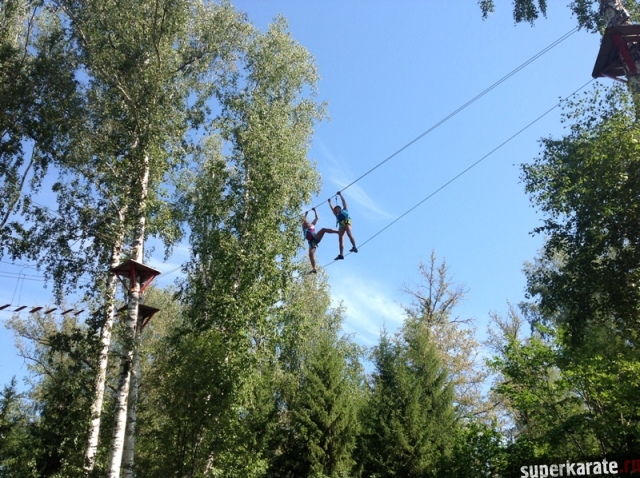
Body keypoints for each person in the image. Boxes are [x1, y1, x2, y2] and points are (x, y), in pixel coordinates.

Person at [302, 208, 338, 273]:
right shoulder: (304, 228)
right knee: (310, 254)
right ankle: (314, 268)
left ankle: (338, 232)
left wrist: (315, 210)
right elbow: (303, 221)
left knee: (323, 229)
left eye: (307, 223)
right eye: (305, 224)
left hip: (316, 237)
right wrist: (305, 215)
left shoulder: (312, 225)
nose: (307, 224)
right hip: (312, 242)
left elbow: (317, 218)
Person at [328, 191, 358, 260]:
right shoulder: (336, 215)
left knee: (349, 233)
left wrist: (340, 195)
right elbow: (332, 209)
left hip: (346, 221)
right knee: (340, 239)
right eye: (335, 210)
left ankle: (354, 247)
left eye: (336, 209)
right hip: (341, 225)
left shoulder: (345, 209)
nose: (335, 210)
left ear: (339, 208)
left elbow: (343, 201)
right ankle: (341, 254)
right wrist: (330, 202)